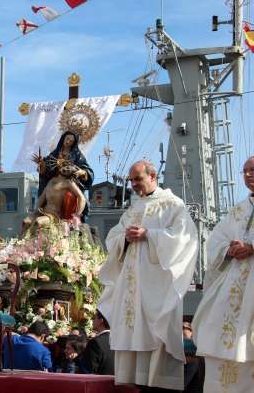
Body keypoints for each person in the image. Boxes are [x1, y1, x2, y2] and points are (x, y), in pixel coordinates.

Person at [98, 160, 198, 391]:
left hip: (155, 286)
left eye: (137, 179)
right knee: (133, 333)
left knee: (154, 335)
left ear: (153, 176)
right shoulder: (133, 209)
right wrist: (124, 238)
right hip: (132, 287)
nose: (133, 184)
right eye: (131, 180)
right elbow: (113, 237)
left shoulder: (173, 205)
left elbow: (185, 239)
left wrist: (150, 235)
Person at [192, 156, 254, 393]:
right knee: (220, 337)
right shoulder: (238, 210)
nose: (248, 175)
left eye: (253, 170)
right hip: (236, 284)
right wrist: (229, 249)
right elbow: (215, 242)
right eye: (245, 171)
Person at [36, 131, 93, 218]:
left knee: (71, 196)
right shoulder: (55, 154)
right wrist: (42, 166)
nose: (68, 142)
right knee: (47, 193)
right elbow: (46, 171)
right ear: (63, 138)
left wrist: (82, 172)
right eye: (67, 139)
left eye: (71, 141)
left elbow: (86, 171)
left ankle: (72, 217)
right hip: (55, 181)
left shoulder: (78, 156)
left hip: (68, 183)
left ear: (74, 143)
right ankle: (40, 210)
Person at [80, 310, 114, 375]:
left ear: (101, 320)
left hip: (100, 383)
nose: (92, 321)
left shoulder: (95, 342)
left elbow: (90, 370)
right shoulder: (116, 340)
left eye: (94, 318)